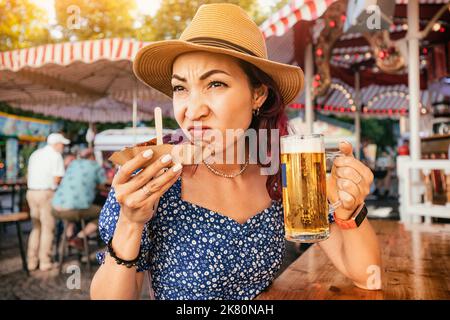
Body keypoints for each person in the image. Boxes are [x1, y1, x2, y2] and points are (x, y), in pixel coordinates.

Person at [91, 4, 380, 300]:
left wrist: (349, 209)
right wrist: (130, 222)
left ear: (258, 94)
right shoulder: (151, 180)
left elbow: (368, 276)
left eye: (215, 84)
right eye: (180, 88)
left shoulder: (282, 173)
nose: (193, 110)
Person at [26, 132, 70, 271]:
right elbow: (57, 179)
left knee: (36, 227)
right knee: (48, 228)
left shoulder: (36, 154)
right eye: (62, 144)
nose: (63, 147)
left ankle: (31, 261)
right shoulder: (55, 156)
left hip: (31, 192)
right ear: (56, 144)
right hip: (46, 193)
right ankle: (45, 261)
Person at [52, 148, 106, 250]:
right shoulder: (95, 166)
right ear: (93, 157)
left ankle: (69, 236)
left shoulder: (73, 164)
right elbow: (103, 186)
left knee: (73, 211)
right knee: (104, 214)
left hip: (55, 208)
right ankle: (79, 237)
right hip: (73, 210)